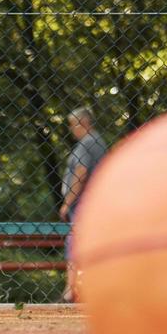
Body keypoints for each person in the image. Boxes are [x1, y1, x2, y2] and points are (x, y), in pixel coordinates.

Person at [59, 106, 109, 302]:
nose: (72, 130)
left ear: (83, 123)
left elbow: (80, 173)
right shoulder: (98, 142)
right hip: (93, 202)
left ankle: (70, 291)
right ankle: (83, 289)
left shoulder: (87, 143)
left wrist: (67, 202)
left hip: (83, 203)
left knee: (75, 242)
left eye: (73, 125)